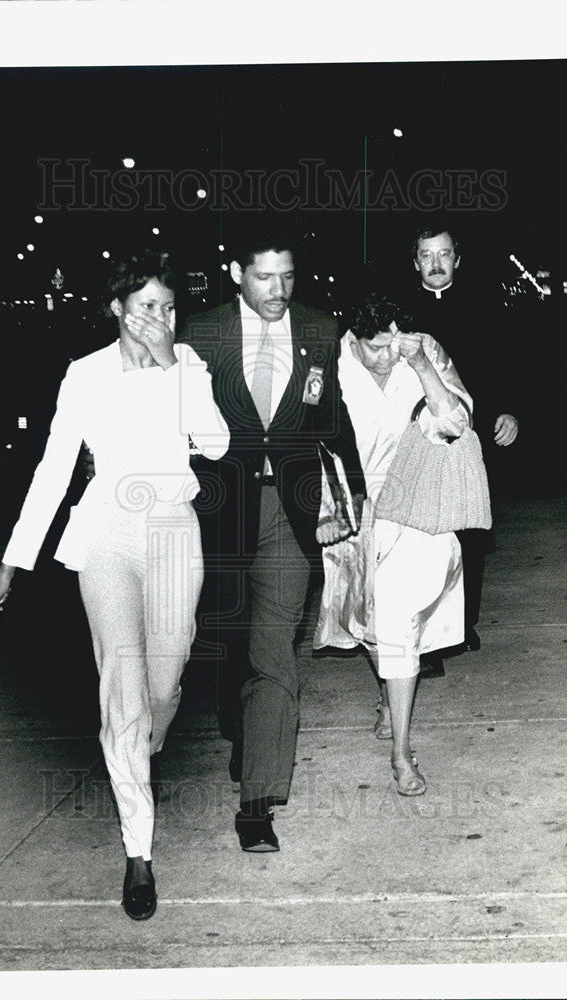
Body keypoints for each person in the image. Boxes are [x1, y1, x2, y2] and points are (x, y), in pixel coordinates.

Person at [0, 252, 229, 919]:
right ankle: (139, 852)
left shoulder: (190, 368)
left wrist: (175, 367)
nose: (159, 318)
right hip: (107, 532)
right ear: (118, 309)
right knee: (121, 691)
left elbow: (216, 444)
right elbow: (53, 469)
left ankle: (156, 716)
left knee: (162, 677)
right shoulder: (85, 375)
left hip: (173, 527)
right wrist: (14, 560)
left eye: (168, 307)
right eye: (146, 305)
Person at [179, 221, 365, 852]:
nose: (279, 288)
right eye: (265, 276)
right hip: (217, 512)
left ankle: (257, 800)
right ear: (237, 273)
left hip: (289, 510)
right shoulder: (201, 335)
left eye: (288, 275)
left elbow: (331, 416)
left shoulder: (319, 329)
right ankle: (238, 724)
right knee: (227, 639)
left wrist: (356, 487)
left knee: (274, 653)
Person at [320, 291, 471, 794]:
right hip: (350, 508)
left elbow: (455, 423)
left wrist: (422, 362)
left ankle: (402, 753)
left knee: (400, 623)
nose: (384, 358)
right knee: (365, 622)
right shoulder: (329, 360)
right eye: (373, 347)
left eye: (392, 346)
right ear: (352, 337)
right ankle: (388, 695)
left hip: (413, 508)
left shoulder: (423, 352)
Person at [402, 221, 519, 668]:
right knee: (427, 534)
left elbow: (508, 365)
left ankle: (462, 622)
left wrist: (509, 411)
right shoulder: (401, 314)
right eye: (427, 255)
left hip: (473, 439)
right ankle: (428, 637)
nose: (435, 263)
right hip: (421, 441)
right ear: (415, 262)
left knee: (469, 532)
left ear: (457, 258)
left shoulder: (486, 307)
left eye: (444, 254)